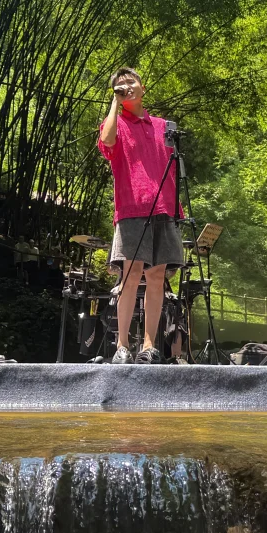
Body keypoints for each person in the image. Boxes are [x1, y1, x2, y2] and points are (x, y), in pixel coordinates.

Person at [98, 68, 183, 364]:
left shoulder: (163, 125)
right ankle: (122, 345)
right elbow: (108, 143)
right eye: (119, 85)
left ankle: (148, 345)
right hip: (132, 207)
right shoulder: (115, 123)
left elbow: (175, 165)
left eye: (130, 82)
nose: (126, 87)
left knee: (157, 276)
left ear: (143, 86)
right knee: (130, 274)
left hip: (164, 207)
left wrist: (175, 207)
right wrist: (114, 104)